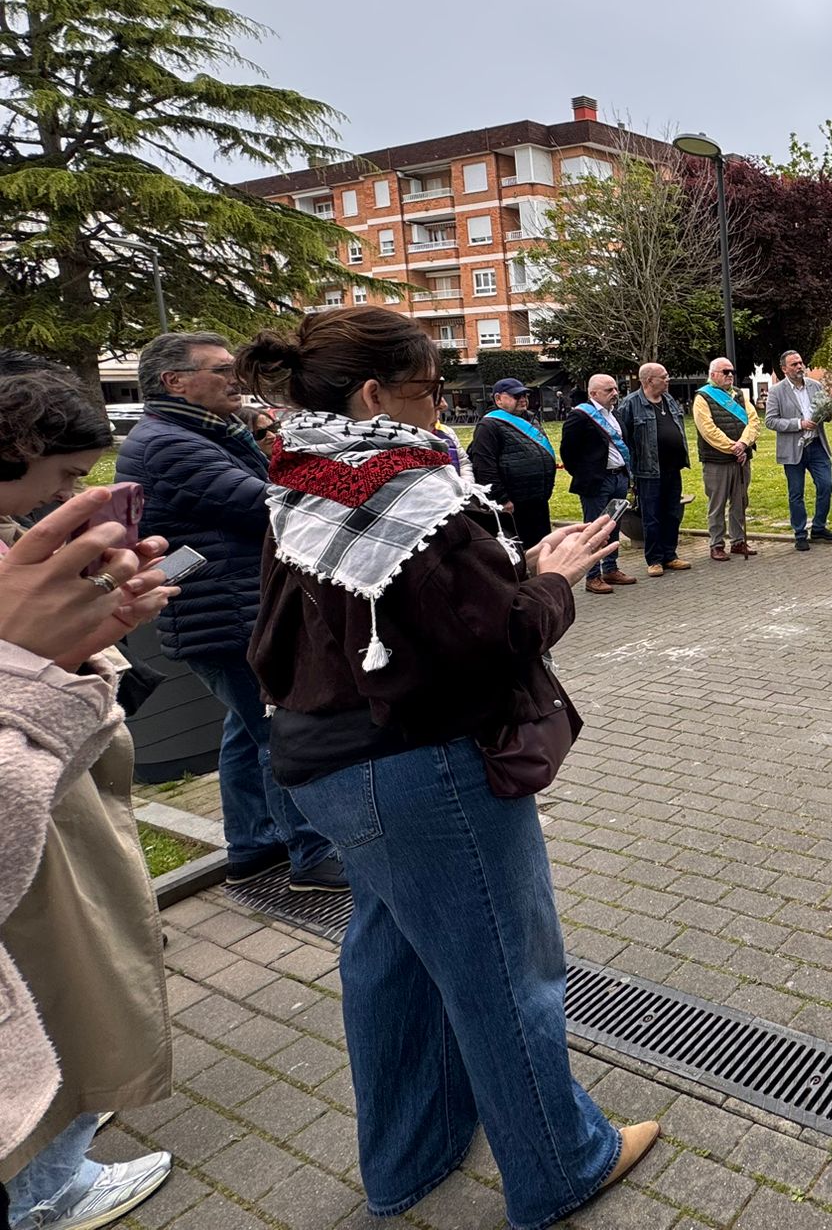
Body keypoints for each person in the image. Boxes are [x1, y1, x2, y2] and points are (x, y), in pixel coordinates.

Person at [237, 307, 660, 1229]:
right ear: (374, 395)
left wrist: (515, 571)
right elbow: (492, 635)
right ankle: (560, 1166)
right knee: (505, 972)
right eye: (433, 389)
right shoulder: (408, 494)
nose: (444, 409)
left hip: (326, 766)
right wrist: (550, 578)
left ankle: (409, 1157)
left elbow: (332, 626)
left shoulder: (305, 476)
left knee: (389, 960)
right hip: (418, 767)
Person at [1, 360, 179, 1230]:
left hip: (52, 818)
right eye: (67, 476)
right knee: (64, 991)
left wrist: (84, 641)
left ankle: (54, 1164)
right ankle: (44, 1189)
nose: (71, 492)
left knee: (68, 997)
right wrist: (45, 668)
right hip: (32, 839)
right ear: (18, 446)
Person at [116, 330, 343, 893]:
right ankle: (311, 854)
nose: (235, 379)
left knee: (245, 731)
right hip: (227, 612)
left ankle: (251, 844)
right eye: (220, 370)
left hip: (223, 610)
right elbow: (268, 505)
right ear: (175, 381)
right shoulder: (172, 443)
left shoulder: (197, 433)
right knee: (280, 731)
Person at [560, 374, 637, 596]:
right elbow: (568, 451)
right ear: (593, 394)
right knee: (594, 529)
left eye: (615, 389)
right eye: (608, 390)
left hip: (618, 477)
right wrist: (586, 473)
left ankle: (610, 568)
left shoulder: (615, 415)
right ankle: (592, 575)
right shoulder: (580, 416)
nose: (615, 393)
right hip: (597, 480)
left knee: (613, 525)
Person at [616, 363, 692, 576]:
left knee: (672, 513)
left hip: (673, 467)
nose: (668, 380)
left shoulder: (668, 400)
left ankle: (670, 555)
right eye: (663, 377)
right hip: (648, 471)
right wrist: (630, 471)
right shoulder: (631, 404)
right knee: (652, 516)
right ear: (649, 380)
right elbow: (623, 439)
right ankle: (654, 559)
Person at [469, 377, 559, 552]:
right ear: (498, 399)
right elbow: (484, 466)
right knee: (520, 551)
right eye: (516, 396)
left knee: (541, 549)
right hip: (513, 504)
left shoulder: (531, 420)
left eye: (524, 395)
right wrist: (502, 498)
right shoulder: (489, 426)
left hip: (538, 499)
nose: (523, 399)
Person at [762, 350, 832, 551]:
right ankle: (800, 533)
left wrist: (829, 412)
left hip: (816, 445)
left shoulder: (815, 385)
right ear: (784, 369)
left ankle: (819, 526)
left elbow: (824, 413)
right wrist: (799, 423)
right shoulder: (776, 391)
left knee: (826, 485)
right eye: (794, 364)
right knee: (796, 493)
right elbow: (770, 421)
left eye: (800, 363)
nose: (799, 367)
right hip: (793, 449)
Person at [693, 358, 761, 562]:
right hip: (716, 461)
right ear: (713, 374)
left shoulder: (739, 395)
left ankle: (738, 541)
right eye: (725, 371)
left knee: (740, 501)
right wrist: (732, 447)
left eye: (732, 371)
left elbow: (754, 421)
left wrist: (743, 443)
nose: (730, 375)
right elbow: (708, 430)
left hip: (741, 458)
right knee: (717, 503)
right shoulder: (703, 397)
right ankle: (716, 544)